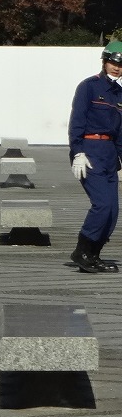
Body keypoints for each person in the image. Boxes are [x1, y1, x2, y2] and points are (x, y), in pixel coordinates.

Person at [66, 41, 122, 274]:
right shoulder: (89, 86)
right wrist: (77, 151)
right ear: (104, 62)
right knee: (102, 205)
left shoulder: (120, 94)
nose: (117, 68)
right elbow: (77, 122)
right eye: (113, 62)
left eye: (121, 65)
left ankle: (94, 254)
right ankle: (81, 251)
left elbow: (120, 132)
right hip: (90, 151)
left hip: (109, 154)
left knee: (113, 211)